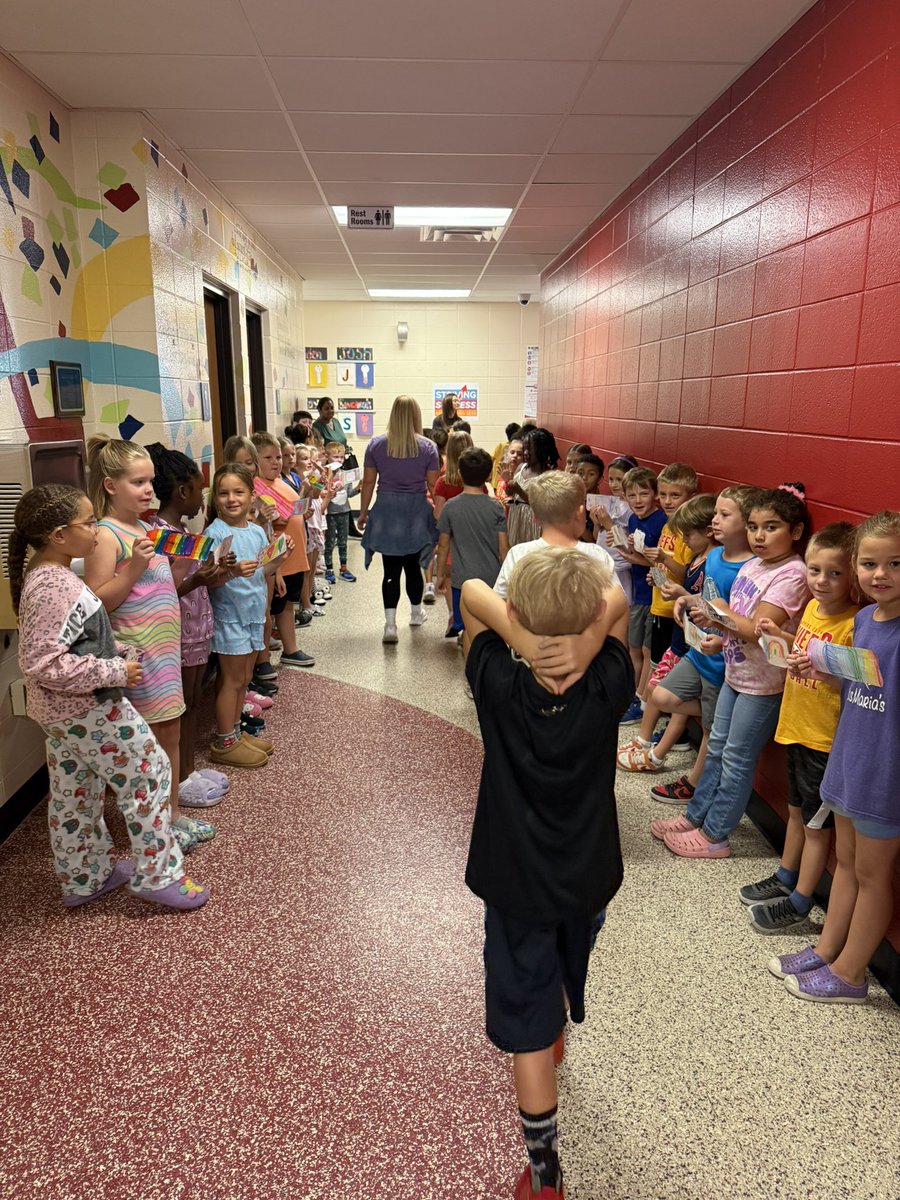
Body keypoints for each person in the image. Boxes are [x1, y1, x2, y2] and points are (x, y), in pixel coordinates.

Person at [461, 548, 632, 1200]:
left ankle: (546, 1177)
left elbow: (474, 591)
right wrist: (589, 640)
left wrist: (520, 638)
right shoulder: (609, 678)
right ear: (592, 619)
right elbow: (617, 599)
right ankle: (554, 1016)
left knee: (526, 1030)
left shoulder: (497, 684)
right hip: (587, 873)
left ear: (517, 615)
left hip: (515, 881)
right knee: (569, 948)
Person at [10, 483, 209, 911]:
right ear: (58, 536)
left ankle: (86, 877)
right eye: (87, 524)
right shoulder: (50, 586)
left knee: (75, 792)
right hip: (88, 707)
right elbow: (41, 662)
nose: (97, 532)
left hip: (65, 712)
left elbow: (74, 641)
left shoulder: (55, 576)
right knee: (151, 771)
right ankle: (159, 875)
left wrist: (115, 652)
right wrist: (113, 670)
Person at [770, 511, 900, 1004]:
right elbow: (860, 687)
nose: (880, 574)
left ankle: (851, 972)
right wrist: (828, 674)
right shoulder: (864, 620)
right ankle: (828, 949)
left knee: (871, 875)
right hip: (848, 757)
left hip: (884, 773)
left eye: (895, 563)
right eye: (869, 563)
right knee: (845, 864)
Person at [652, 484, 811, 859]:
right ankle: (697, 816)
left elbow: (758, 629)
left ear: (797, 532)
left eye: (771, 527)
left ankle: (716, 835)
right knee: (718, 749)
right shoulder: (755, 565)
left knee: (738, 758)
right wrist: (712, 627)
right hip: (736, 674)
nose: (759, 535)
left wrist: (715, 612)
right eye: (754, 526)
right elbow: (732, 622)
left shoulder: (793, 574)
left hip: (763, 686)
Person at [83, 436, 213, 854]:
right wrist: (136, 564)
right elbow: (98, 601)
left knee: (171, 731)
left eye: (151, 482)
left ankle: (171, 814)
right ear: (109, 486)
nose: (149, 491)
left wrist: (185, 562)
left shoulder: (149, 527)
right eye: (138, 483)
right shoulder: (106, 536)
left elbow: (165, 587)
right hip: (135, 657)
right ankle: (151, 821)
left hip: (165, 652)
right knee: (144, 744)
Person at [739, 523, 858, 932]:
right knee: (794, 811)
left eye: (835, 573)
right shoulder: (810, 609)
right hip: (795, 726)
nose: (821, 581)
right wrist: (781, 638)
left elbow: (857, 684)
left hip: (824, 740)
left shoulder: (855, 624)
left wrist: (828, 675)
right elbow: (806, 653)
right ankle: (786, 874)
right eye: (813, 570)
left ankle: (801, 900)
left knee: (815, 824)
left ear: (853, 575)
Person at [647, 486, 755, 804]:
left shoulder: (747, 570)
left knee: (711, 731)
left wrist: (722, 641)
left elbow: (741, 621)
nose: (715, 521)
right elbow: (710, 602)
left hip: (722, 661)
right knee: (661, 694)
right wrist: (686, 598)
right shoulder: (716, 557)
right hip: (697, 654)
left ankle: (693, 783)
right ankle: (721, 714)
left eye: (724, 515)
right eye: (716, 514)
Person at [146, 443, 232, 808]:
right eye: (200, 489)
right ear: (182, 492)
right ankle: (177, 780)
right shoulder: (158, 535)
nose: (203, 497)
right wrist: (197, 581)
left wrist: (215, 573)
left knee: (193, 700)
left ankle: (189, 771)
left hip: (197, 629)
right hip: (173, 633)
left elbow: (197, 578)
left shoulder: (183, 530)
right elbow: (162, 591)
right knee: (176, 708)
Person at [617, 493, 717, 772]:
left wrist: (679, 591)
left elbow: (707, 604)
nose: (683, 540)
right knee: (655, 688)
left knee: (668, 694)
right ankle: (644, 742)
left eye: (687, 534)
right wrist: (660, 578)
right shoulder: (700, 556)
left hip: (696, 645)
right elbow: (685, 584)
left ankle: (655, 752)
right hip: (682, 638)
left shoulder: (713, 562)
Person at [204, 463, 286, 767]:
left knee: (246, 678)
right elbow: (209, 577)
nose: (231, 499)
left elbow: (262, 571)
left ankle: (236, 733)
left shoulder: (254, 531)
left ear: (253, 496)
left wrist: (280, 559)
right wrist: (229, 569)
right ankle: (225, 741)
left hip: (253, 615)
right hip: (230, 617)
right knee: (232, 679)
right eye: (223, 493)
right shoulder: (215, 533)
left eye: (239, 492)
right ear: (215, 499)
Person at [358, 394, 440, 644]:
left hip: (386, 512)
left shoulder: (376, 445)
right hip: (415, 511)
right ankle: (416, 614)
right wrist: (440, 515)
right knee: (413, 566)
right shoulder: (428, 447)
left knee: (390, 570)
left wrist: (362, 513)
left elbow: (369, 483)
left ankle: (390, 625)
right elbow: (434, 485)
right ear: (416, 416)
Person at [494, 471, 617, 600]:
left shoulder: (518, 554)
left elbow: (500, 598)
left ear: (535, 517)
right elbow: (616, 604)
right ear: (580, 513)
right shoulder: (598, 555)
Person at [251, 431, 315, 670]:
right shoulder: (258, 487)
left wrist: (303, 511)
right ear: (255, 461)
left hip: (294, 555)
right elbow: (277, 519)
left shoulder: (281, 482)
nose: (276, 462)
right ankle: (262, 658)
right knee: (270, 609)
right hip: (278, 560)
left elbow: (292, 509)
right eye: (268, 458)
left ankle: (291, 649)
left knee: (288, 605)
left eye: (278, 457)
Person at [222, 435, 280, 697]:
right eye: (240, 463)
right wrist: (257, 518)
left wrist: (276, 567)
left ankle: (257, 666)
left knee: (264, 614)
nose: (247, 469)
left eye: (250, 463)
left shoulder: (257, 493)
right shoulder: (230, 504)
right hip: (236, 591)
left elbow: (261, 539)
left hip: (259, 571)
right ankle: (249, 680)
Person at [436, 447, 508, 643]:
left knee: (468, 627)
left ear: (459, 473)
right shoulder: (496, 507)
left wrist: (440, 574)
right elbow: (503, 548)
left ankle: (469, 656)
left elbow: (443, 547)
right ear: (487, 475)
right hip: (491, 579)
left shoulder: (451, 506)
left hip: (462, 581)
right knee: (488, 624)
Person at [615, 466, 667, 722]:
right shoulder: (634, 520)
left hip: (653, 596)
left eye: (643, 494)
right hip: (638, 592)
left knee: (647, 651)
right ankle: (631, 693)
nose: (638, 500)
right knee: (634, 648)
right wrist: (629, 555)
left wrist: (640, 558)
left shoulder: (662, 522)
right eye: (632, 495)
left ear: (654, 494)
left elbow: (661, 564)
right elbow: (640, 555)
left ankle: (640, 700)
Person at [434, 429, 476, 636]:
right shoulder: (477, 483)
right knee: (469, 579)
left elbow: (438, 514)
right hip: (472, 539)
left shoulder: (443, 482)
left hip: (451, 539)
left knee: (451, 578)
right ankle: (467, 619)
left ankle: (453, 614)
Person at [577, 455, 632, 597]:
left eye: (619, 480)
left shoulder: (631, 509)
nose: (614, 484)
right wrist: (596, 524)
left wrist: (608, 524)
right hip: (602, 565)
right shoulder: (611, 503)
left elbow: (627, 547)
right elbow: (599, 539)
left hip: (619, 571)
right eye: (611, 479)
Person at [506, 427, 560, 548]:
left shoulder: (547, 474)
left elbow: (542, 505)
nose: (526, 452)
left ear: (542, 450)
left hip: (533, 521)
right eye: (525, 448)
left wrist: (519, 490)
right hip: (516, 517)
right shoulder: (521, 468)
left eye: (530, 449)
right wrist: (509, 487)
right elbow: (511, 493)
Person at [323, 440, 359, 584]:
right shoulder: (324, 474)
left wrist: (359, 488)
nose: (339, 460)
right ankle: (329, 569)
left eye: (341, 457)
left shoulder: (346, 475)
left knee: (343, 542)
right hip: (330, 513)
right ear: (327, 457)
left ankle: (343, 568)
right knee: (329, 542)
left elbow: (349, 493)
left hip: (344, 511)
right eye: (335, 457)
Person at [491, 421, 521, 490]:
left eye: (519, 454)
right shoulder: (504, 446)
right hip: (501, 479)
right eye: (512, 452)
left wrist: (490, 475)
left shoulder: (501, 445)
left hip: (498, 480)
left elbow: (491, 458)